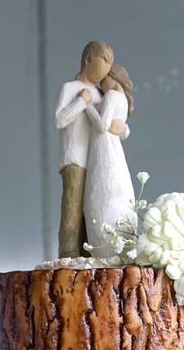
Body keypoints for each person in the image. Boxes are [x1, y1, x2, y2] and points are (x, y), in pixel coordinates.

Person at [54, 41, 128, 259]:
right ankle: (67, 255)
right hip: (75, 158)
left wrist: (124, 130)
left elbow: (112, 120)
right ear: (88, 60)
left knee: (92, 210)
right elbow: (59, 120)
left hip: (98, 161)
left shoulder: (100, 94)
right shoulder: (71, 88)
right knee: (72, 208)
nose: (105, 73)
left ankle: (88, 255)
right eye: (102, 65)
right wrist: (80, 102)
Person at [83, 64, 135, 258]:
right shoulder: (123, 100)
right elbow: (122, 129)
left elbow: (103, 124)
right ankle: (119, 248)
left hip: (103, 147)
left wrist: (86, 104)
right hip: (114, 149)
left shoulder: (112, 96)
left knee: (101, 193)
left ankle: (103, 249)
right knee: (116, 191)